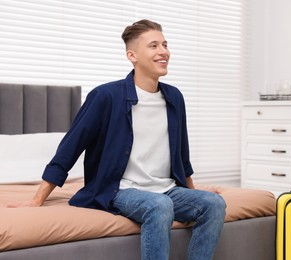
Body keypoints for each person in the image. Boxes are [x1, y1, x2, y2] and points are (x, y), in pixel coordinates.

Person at [7, 19, 226, 260]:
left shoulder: (174, 97)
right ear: (132, 55)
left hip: (166, 188)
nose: (163, 51)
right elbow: (69, 148)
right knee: (159, 206)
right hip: (119, 189)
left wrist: (192, 193)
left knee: (213, 203)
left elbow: (182, 156)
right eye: (153, 46)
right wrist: (37, 199)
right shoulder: (105, 96)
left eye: (165, 44)